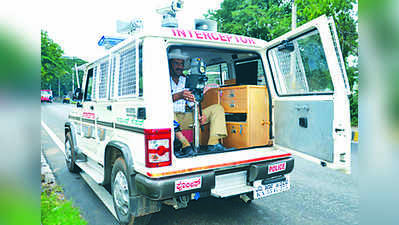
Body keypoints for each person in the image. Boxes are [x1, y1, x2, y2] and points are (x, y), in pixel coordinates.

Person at [169, 48, 227, 153]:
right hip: (169, 119)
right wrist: (179, 95)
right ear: (169, 64)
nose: (180, 67)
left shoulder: (186, 80)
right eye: (176, 63)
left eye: (182, 64)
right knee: (166, 112)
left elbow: (191, 102)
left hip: (186, 116)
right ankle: (185, 145)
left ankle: (213, 144)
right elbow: (157, 101)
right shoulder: (162, 78)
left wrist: (199, 114)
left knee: (217, 109)